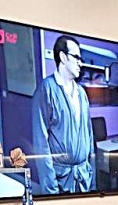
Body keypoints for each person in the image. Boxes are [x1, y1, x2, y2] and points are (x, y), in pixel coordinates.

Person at [27, 33, 94, 194]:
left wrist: (92, 177)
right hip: (61, 180)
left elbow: (89, 135)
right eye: (76, 57)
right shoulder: (46, 90)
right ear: (63, 57)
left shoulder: (81, 93)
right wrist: (50, 189)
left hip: (83, 178)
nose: (80, 63)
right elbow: (41, 143)